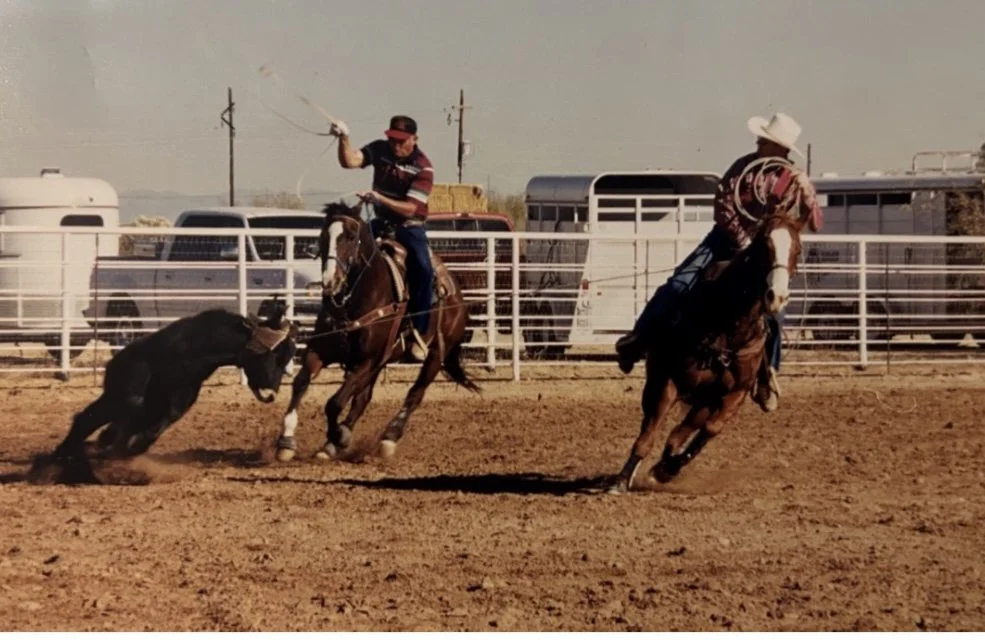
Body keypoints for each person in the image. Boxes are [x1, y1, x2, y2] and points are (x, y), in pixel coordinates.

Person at [615, 112, 823, 412]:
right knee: (679, 283)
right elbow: (724, 205)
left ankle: (768, 374)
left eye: (764, 139)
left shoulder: (792, 179)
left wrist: (808, 193)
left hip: (764, 250)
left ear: (778, 147)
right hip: (726, 240)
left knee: (773, 310)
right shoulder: (744, 168)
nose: (758, 141)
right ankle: (637, 341)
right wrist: (743, 242)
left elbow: (813, 222)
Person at [328, 115, 435, 362]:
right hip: (381, 223)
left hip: (409, 227)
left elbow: (411, 208)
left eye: (401, 141)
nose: (395, 145)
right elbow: (350, 161)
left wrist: (380, 199)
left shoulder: (423, 167)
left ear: (414, 139)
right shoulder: (379, 149)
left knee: (422, 268)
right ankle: (344, 315)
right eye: (392, 140)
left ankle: (419, 330)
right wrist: (344, 138)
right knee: (351, 256)